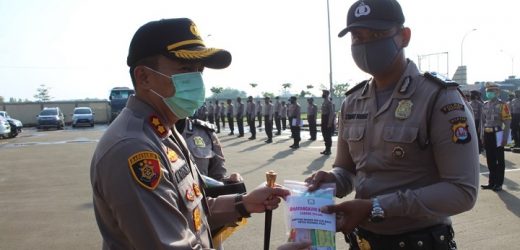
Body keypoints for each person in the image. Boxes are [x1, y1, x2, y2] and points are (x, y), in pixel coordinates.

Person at [90, 18, 290, 249]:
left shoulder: (166, 131)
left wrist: (243, 203)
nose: (196, 79)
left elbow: (192, 214)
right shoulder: (133, 148)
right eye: (185, 69)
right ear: (144, 77)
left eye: (199, 70)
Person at [306, 1, 479, 249]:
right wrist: (329, 181)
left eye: (377, 35)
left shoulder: (439, 98)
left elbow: (462, 191)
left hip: (420, 242)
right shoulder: (353, 102)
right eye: (357, 37)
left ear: (404, 36)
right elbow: (347, 171)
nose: (366, 45)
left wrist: (377, 207)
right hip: (362, 241)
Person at [481, 82, 511, 192]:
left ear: (497, 92)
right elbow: (483, 122)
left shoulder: (503, 105)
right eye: (487, 91)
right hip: (488, 134)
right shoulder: (485, 104)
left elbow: (507, 122)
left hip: (498, 134)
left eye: (491, 91)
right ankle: (491, 182)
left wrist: (505, 138)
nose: (488, 93)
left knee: (499, 160)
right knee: (490, 159)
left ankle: (499, 183)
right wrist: (482, 137)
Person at [320, 90, 335, 155]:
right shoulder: (324, 102)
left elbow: (331, 113)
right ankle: (326, 149)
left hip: (327, 119)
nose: (322, 94)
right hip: (323, 119)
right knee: (324, 134)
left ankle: (328, 150)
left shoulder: (329, 102)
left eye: (323, 93)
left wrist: (329, 123)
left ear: (327, 94)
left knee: (328, 135)